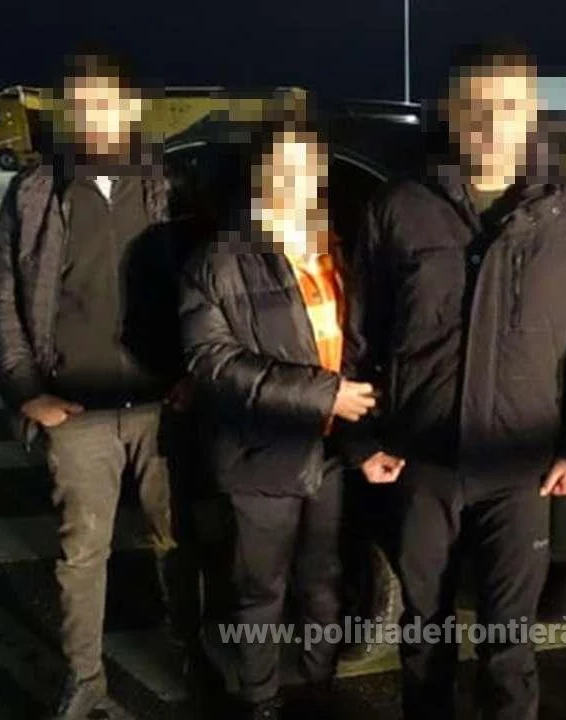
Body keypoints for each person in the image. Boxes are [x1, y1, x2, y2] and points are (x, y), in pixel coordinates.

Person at [341, 40, 566, 720]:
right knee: (424, 634)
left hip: (521, 469)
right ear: (450, 111)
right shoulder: (400, 207)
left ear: (531, 113)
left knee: (509, 646)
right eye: (474, 106)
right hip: (421, 462)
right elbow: (362, 337)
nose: (490, 123)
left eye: (506, 106)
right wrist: (363, 440)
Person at [0, 50, 196, 720]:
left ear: (131, 107)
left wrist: (193, 374)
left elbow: (204, 285)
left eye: (105, 103)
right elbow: (3, 300)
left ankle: (189, 648)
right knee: (83, 553)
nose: (92, 117)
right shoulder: (37, 193)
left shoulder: (166, 184)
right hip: (77, 410)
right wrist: (27, 391)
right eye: (79, 105)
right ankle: (84, 679)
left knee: (176, 536)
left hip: (162, 404)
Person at [179, 119, 376, 720]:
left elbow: (359, 342)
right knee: (260, 591)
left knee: (322, 580)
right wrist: (323, 395)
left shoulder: (335, 248)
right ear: (259, 175)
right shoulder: (219, 260)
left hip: (329, 453)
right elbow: (212, 362)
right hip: (258, 455)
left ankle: (318, 687)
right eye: (282, 169)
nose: (295, 182)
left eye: (307, 169)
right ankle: (260, 699)